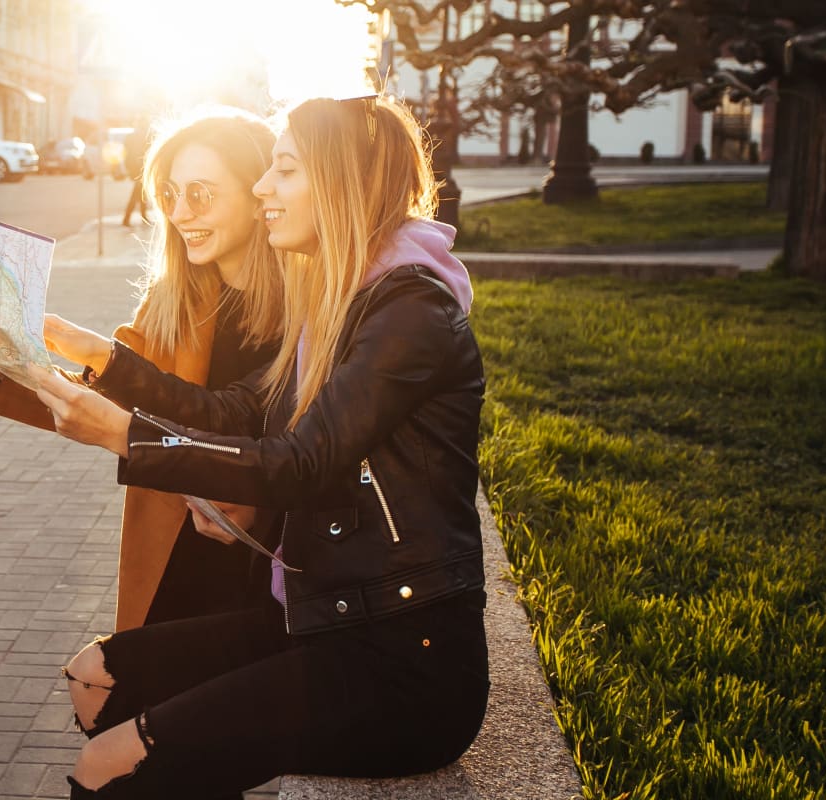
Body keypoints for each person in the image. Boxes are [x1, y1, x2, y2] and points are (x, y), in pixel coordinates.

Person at [29, 94, 488, 799]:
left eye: (284, 171)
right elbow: (235, 408)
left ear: (340, 183)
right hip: (322, 619)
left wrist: (125, 434)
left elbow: (298, 464)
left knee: (109, 763)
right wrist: (94, 355)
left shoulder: (411, 311)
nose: (264, 190)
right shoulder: (339, 306)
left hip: (401, 661)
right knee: (95, 675)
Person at [0, 106, 285, 632]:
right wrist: (13, 365)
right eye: (170, 194)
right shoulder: (174, 298)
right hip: (176, 544)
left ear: (259, 193)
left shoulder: (312, 308)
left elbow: (267, 435)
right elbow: (119, 403)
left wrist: (100, 354)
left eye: (201, 194)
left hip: (272, 565)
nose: (181, 213)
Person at [121, 119, 150, 226]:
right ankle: (127, 218)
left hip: (135, 168)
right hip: (139, 169)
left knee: (141, 192)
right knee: (137, 193)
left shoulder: (132, 136)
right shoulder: (138, 136)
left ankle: (142, 216)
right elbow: (137, 153)